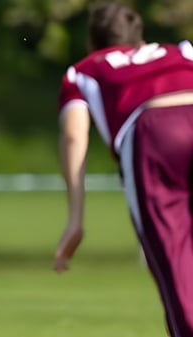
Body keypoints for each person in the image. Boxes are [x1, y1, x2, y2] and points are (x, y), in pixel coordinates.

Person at [54, 2, 193, 336]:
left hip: (154, 132)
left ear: (93, 42)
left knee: (176, 267)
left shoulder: (83, 70)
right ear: (140, 38)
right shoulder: (183, 51)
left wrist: (75, 219)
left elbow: (74, 136)